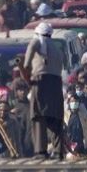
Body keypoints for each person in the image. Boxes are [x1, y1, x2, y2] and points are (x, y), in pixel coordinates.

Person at [24, 22, 64, 158]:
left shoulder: (37, 42)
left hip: (40, 81)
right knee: (55, 117)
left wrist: (26, 67)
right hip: (56, 83)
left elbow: (27, 60)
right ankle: (58, 150)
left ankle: (40, 150)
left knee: (38, 115)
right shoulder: (56, 48)